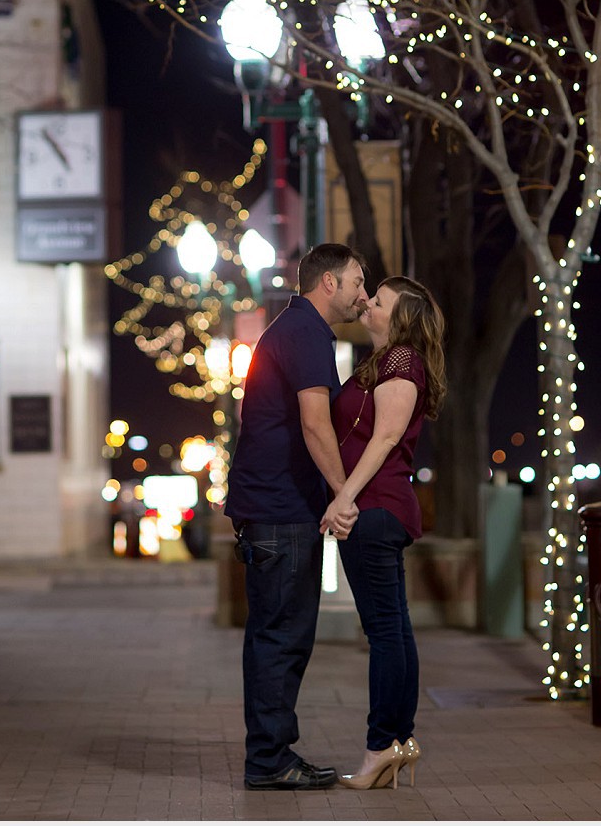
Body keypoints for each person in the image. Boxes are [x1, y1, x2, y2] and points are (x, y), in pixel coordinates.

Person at [225, 243, 369, 791]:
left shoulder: (294, 329)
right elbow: (314, 424)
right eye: (357, 280)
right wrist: (343, 494)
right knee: (282, 638)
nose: (362, 291)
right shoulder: (306, 333)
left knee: (275, 635)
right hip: (281, 512)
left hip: (273, 510)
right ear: (328, 282)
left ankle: (271, 754)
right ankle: (269, 760)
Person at [326, 275, 447, 791]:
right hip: (378, 509)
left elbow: (388, 437)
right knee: (394, 629)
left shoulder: (401, 362)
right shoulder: (382, 363)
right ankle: (400, 742)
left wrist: (343, 497)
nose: (367, 302)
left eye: (378, 300)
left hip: (375, 510)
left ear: (398, 319)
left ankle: (381, 747)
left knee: (384, 633)